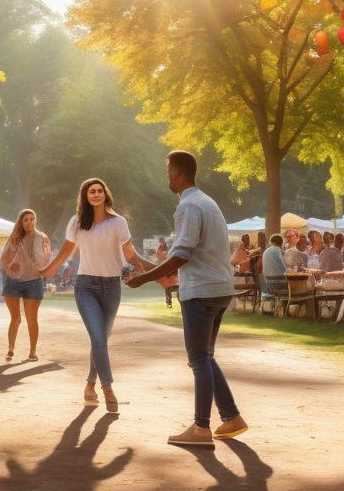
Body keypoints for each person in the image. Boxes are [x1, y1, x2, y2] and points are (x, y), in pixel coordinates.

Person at [126, 151, 245, 448]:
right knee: (206, 356)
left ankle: (201, 428)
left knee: (198, 359)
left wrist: (145, 277)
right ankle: (231, 417)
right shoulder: (208, 203)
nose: (166, 176)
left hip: (201, 291)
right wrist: (154, 273)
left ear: (178, 173)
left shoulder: (188, 206)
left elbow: (182, 253)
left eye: (168, 170)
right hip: (220, 288)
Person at [41, 178, 147, 414]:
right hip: (86, 286)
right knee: (98, 339)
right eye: (92, 192)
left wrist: (149, 271)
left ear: (105, 194)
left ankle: (90, 384)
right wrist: (47, 271)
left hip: (112, 287)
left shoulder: (118, 222)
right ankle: (108, 389)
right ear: (86, 196)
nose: (96, 194)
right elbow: (65, 252)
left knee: (101, 341)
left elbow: (130, 253)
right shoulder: (77, 222)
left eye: (100, 191)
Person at [0, 209, 51, 361]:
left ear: (35, 220)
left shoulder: (41, 237)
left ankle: (32, 351)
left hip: (33, 281)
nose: (29, 222)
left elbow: (43, 260)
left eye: (31, 219)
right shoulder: (15, 237)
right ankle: (10, 349)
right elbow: (4, 259)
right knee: (15, 318)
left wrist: (32, 243)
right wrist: (14, 245)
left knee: (31, 318)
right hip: (13, 281)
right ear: (21, 222)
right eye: (25, 220)